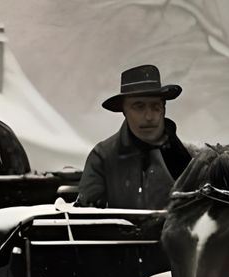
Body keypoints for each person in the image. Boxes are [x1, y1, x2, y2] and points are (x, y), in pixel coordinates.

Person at [75, 63, 192, 210]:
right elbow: (89, 218)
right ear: (124, 110)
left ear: (164, 109)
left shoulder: (185, 157)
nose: (149, 116)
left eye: (155, 107)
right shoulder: (103, 157)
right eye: (139, 107)